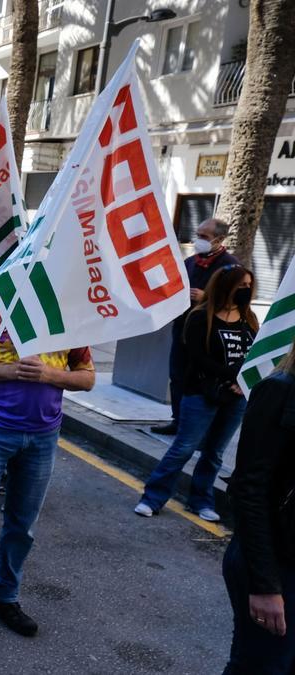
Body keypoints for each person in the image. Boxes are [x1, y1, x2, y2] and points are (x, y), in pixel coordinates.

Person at [0, 297, 95, 643]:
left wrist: (49, 374)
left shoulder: (67, 312)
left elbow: (87, 378)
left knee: (23, 525)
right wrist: (11, 371)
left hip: (43, 437)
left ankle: (3, 597)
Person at [136, 265, 258, 522]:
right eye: (241, 286)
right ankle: (152, 498)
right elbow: (197, 358)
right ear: (226, 287)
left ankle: (201, 501)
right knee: (184, 448)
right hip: (201, 394)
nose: (246, 291)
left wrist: (244, 381)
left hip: (235, 398)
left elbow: (255, 356)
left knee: (214, 453)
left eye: (249, 286)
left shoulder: (250, 319)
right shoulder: (201, 317)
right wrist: (233, 376)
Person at [222, 335, 295, 672]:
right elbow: (248, 491)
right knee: (260, 666)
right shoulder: (279, 390)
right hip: (274, 564)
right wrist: (265, 585)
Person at [153, 218, 240, 435]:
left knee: (199, 380)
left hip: (208, 334)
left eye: (204, 237)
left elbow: (237, 300)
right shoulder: (191, 262)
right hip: (183, 329)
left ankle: (196, 427)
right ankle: (178, 420)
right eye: (198, 234)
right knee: (177, 375)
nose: (198, 240)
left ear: (219, 239)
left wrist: (207, 298)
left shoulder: (231, 266)